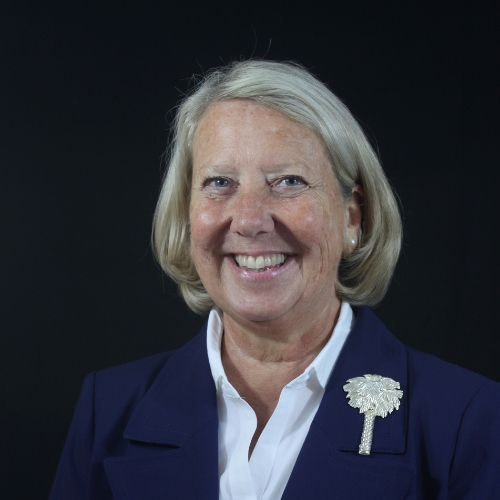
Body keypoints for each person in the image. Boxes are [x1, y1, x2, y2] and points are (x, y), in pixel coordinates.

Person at [50, 60, 500, 499]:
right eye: (220, 182)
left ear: (352, 216)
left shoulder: (467, 420)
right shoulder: (107, 409)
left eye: (287, 181)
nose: (248, 220)